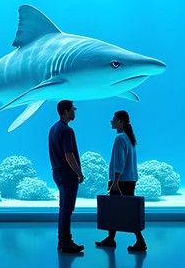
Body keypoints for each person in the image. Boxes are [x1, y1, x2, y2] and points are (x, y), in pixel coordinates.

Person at [95, 110, 147, 253]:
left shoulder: (120, 138)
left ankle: (140, 241)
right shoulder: (130, 138)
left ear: (121, 121)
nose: (111, 121)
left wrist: (115, 182)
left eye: (114, 119)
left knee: (122, 211)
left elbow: (120, 162)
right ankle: (111, 239)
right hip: (129, 180)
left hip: (121, 181)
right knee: (122, 210)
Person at [49, 99, 84, 254]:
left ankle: (62, 241)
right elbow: (69, 155)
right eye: (73, 109)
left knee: (63, 209)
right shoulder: (67, 130)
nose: (74, 111)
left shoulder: (53, 128)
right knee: (67, 210)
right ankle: (66, 243)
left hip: (56, 172)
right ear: (66, 111)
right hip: (67, 174)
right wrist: (79, 172)